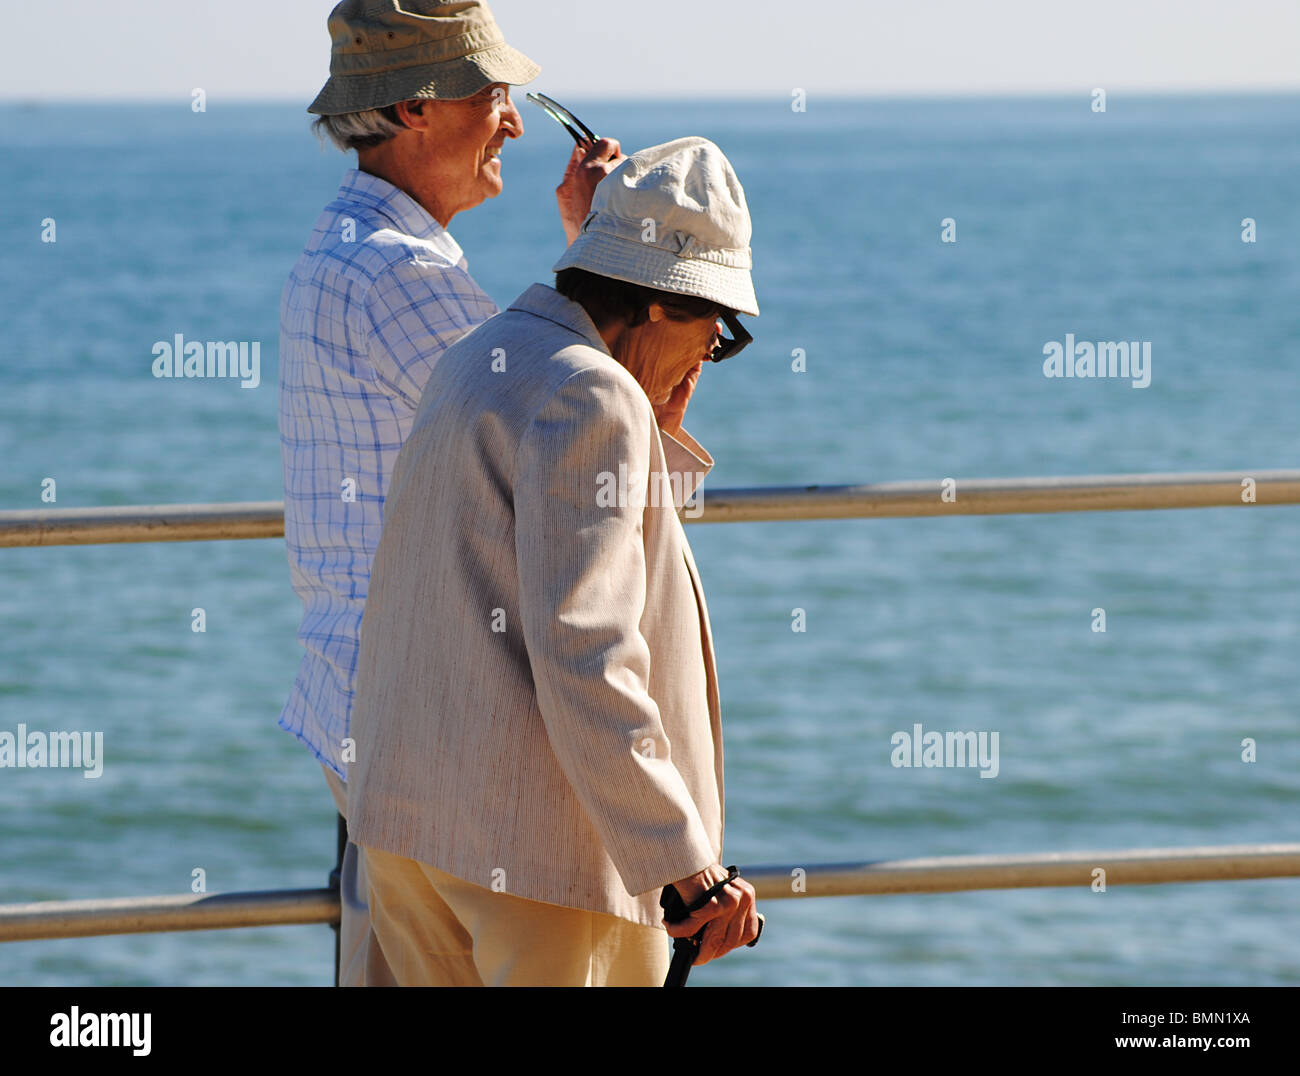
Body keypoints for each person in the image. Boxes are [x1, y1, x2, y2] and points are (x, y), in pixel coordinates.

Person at [346, 136, 763, 986]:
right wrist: (684, 864)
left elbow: (548, 550)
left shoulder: (484, 351)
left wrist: (654, 424)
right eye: (715, 331)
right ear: (658, 304)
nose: (708, 352)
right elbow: (588, 647)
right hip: (539, 859)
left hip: (411, 828)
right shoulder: (592, 392)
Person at [277, 0, 621, 986]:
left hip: (363, 709)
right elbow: (576, 439)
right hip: (430, 725)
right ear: (415, 108)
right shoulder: (400, 274)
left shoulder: (347, 246)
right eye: (493, 92)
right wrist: (604, 253)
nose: (513, 118)